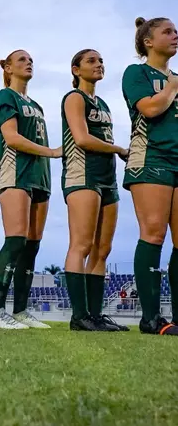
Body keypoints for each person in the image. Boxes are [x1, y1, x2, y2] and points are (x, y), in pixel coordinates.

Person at [0, 49, 61, 330]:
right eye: (22, 60)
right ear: (8, 68)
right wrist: (52, 152)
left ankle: (20, 310)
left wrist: (47, 159)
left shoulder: (37, 105)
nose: (29, 62)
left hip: (40, 176)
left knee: (32, 245)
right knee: (16, 240)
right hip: (15, 173)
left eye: (31, 59)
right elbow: (11, 137)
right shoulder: (5, 96)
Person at [62, 49, 130, 332]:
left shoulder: (102, 103)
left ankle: (95, 314)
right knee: (82, 244)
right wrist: (117, 149)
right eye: (91, 61)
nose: (99, 64)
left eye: (101, 60)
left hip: (107, 178)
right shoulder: (74, 97)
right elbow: (81, 138)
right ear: (76, 70)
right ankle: (79, 316)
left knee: (103, 249)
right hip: (83, 175)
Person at [122, 17, 178, 336]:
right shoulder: (137, 73)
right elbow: (152, 109)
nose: (175, 36)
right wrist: (171, 84)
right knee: (154, 233)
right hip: (151, 158)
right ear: (148, 41)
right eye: (167, 31)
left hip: (177, 159)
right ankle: (151, 318)